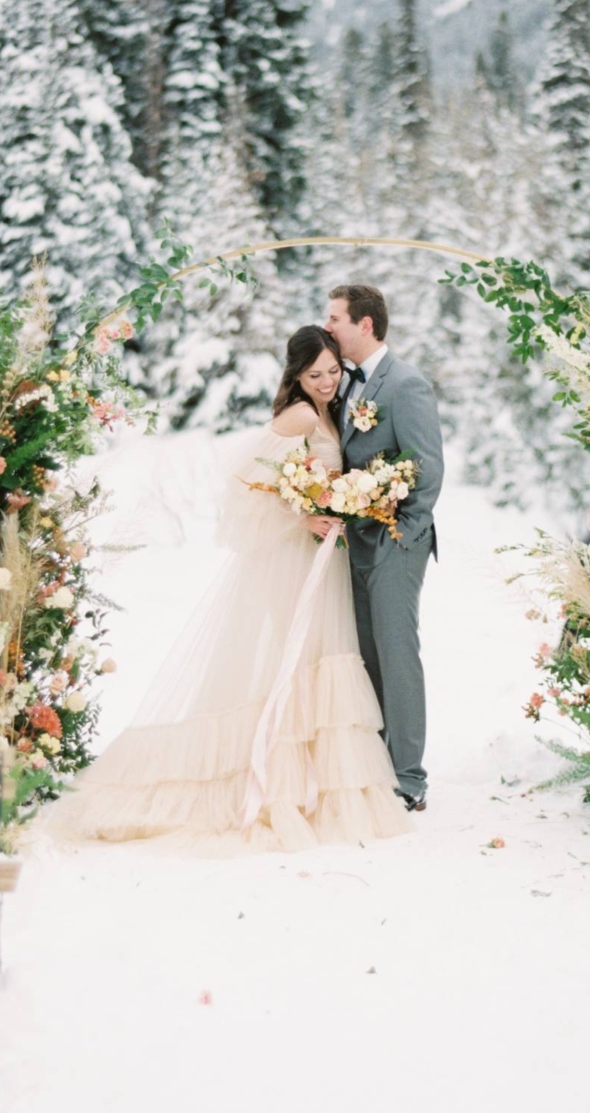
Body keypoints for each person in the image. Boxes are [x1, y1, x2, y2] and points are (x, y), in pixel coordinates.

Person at [49, 324, 410, 852]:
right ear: (297, 375)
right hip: (293, 557)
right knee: (301, 662)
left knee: (316, 662)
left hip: (321, 559)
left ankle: (312, 782)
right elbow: (246, 483)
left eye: (334, 371)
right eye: (316, 374)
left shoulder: (326, 409)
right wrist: (302, 515)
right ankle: (283, 785)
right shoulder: (302, 413)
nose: (328, 380)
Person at [326, 284, 444, 812]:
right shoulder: (345, 383)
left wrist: (403, 531)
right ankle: (375, 764)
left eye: (335, 318)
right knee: (367, 654)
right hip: (354, 542)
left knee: (398, 656)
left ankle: (409, 778)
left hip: (397, 542)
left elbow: (428, 469)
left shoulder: (407, 385)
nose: (329, 327)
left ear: (365, 324)